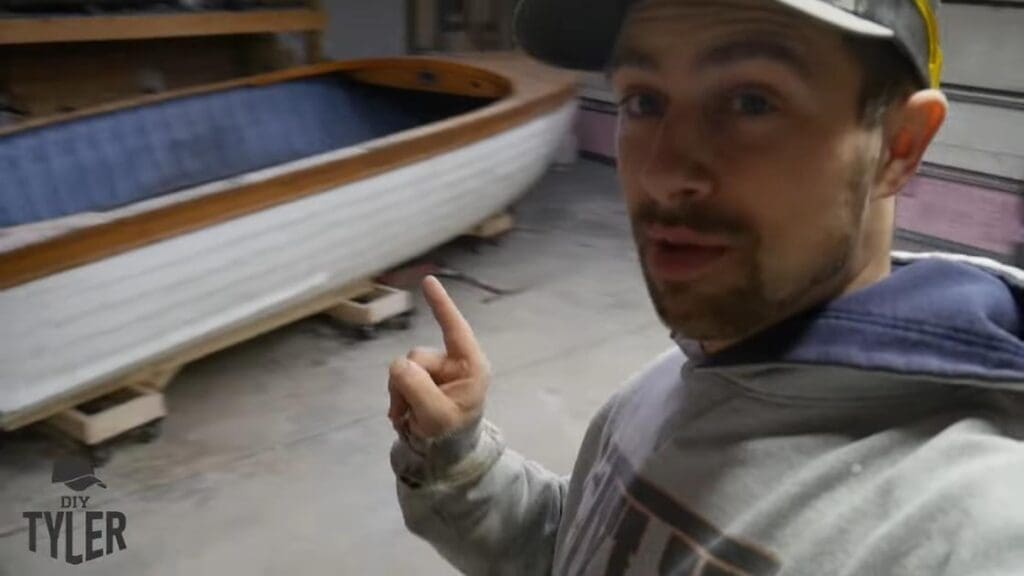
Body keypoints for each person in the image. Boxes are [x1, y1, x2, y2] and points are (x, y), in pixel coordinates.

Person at [386, 0, 1024, 573]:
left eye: (751, 102)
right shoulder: (675, 379)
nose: (662, 173)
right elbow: (584, 548)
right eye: (643, 101)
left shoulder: (967, 526)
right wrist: (459, 460)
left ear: (899, 147)